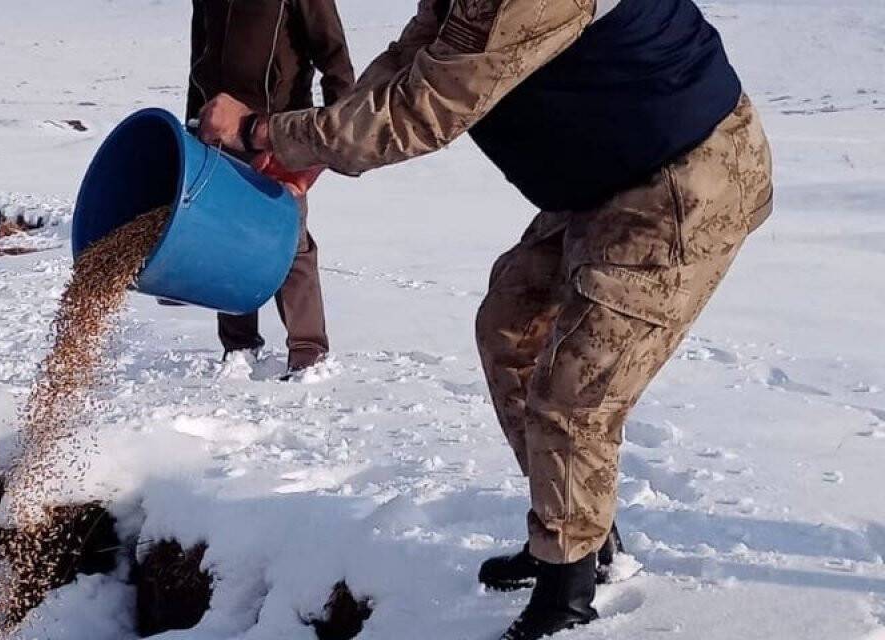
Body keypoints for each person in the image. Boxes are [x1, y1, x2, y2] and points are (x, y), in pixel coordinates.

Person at [197, 0, 772, 637]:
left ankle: (569, 592)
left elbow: (424, 110)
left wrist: (264, 132)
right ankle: (575, 528)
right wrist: (320, 139)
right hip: (606, 177)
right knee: (509, 325)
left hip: (680, 186)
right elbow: (420, 48)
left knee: (575, 393)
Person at [187, 0, 354, 378]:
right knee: (227, 236)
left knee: (289, 239)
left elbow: (335, 57)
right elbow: (200, 58)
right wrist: (193, 126)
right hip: (221, 134)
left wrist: (337, 136)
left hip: (279, 132)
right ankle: (238, 345)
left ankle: (308, 350)